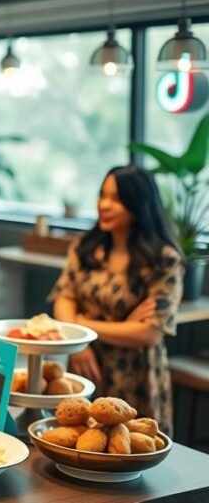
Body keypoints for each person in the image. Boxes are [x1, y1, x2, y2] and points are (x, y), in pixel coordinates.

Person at [50, 166, 182, 434]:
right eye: (102, 195)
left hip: (135, 376)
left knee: (131, 448)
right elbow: (64, 297)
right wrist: (81, 346)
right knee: (79, 441)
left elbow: (148, 333)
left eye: (116, 199)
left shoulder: (163, 259)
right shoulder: (86, 248)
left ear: (138, 205)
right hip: (84, 364)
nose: (104, 205)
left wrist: (82, 326)